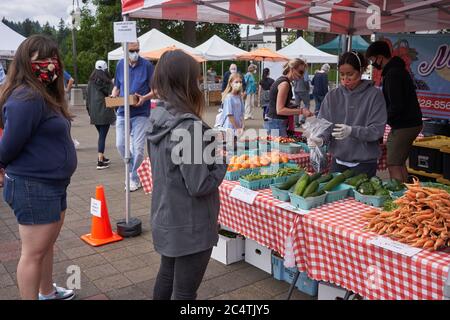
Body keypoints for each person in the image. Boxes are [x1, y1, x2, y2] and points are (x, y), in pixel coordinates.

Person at [0, 34, 77, 300]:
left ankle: (47, 291)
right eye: (41, 59)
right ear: (26, 62)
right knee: (32, 254)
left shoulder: (43, 95)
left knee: (45, 247)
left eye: (53, 58)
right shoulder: (27, 98)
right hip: (34, 186)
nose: (50, 64)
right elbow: (8, 146)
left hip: (52, 185)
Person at [147, 49, 227, 300]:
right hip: (190, 225)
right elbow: (200, 184)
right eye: (196, 80)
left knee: (167, 276)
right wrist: (222, 160)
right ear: (185, 83)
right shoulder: (188, 127)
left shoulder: (158, 117)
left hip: (168, 217)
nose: (199, 85)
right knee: (183, 291)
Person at [308, 51, 387, 177]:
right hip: (337, 161)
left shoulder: (374, 95)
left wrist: (352, 131)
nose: (345, 79)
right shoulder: (332, 95)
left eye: (350, 74)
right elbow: (324, 124)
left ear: (361, 70)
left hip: (364, 163)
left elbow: (377, 130)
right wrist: (320, 139)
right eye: (342, 75)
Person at [366, 40, 423, 182]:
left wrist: (382, 119)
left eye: (373, 59)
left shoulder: (393, 74)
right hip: (411, 123)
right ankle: (406, 194)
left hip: (404, 125)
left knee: (393, 165)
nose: (373, 63)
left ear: (380, 57)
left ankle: (398, 196)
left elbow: (396, 105)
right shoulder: (397, 70)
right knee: (399, 162)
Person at [111, 41, 154, 192]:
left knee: (139, 149)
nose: (135, 53)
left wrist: (144, 97)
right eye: (132, 50)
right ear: (125, 50)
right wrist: (113, 96)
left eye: (137, 50)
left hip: (141, 112)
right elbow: (117, 86)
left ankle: (134, 177)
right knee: (120, 144)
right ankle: (132, 171)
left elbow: (156, 90)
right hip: (123, 111)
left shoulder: (147, 65)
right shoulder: (120, 65)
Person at [265, 58, 313, 137]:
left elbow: (278, 103)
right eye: (300, 72)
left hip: (275, 122)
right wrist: (301, 111)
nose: (301, 76)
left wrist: (291, 105)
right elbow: (280, 110)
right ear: (292, 69)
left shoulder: (284, 81)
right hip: (276, 122)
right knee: (279, 148)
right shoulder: (285, 84)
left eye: (303, 73)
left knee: (278, 148)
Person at [86, 60, 116, 170]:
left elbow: (87, 98)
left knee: (101, 135)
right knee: (102, 136)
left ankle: (102, 157)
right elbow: (113, 93)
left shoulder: (90, 82)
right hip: (104, 113)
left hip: (94, 113)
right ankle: (100, 161)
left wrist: (89, 112)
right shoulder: (106, 82)